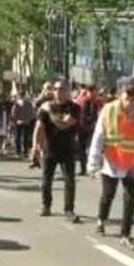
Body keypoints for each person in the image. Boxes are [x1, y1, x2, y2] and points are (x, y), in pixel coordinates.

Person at [88, 79, 134, 250]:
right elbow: (98, 136)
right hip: (112, 160)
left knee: (130, 197)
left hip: (131, 163)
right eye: (127, 98)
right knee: (108, 194)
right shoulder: (109, 110)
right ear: (120, 96)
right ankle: (101, 219)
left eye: (133, 98)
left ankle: (126, 234)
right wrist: (93, 162)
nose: (130, 102)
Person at [37, 80, 81, 222]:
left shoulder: (74, 108)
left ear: (68, 91)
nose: (58, 92)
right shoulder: (46, 107)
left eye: (62, 89)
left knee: (69, 181)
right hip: (50, 148)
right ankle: (46, 205)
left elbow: (64, 125)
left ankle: (69, 210)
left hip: (68, 149)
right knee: (46, 180)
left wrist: (49, 111)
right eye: (56, 89)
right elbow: (39, 127)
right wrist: (36, 147)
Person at [11, 89, 35, 159]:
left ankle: (25, 152)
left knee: (25, 137)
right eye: (20, 95)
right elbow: (13, 113)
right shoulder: (16, 104)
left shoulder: (29, 103)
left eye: (22, 95)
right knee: (17, 138)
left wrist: (27, 120)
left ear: (24, 95)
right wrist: (17, 120)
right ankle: (18, 152)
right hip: (18, 123)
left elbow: (31, 113)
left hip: (26, 122)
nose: (21, 96)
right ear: (18, 96)